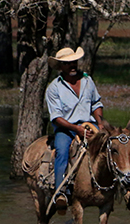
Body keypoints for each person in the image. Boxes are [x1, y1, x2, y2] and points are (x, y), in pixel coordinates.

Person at [45, 46, 112, 210]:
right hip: (67, 128)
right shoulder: (54, 88)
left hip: (90, 124)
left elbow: (96, 103)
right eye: (68, 63)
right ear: (61, 66)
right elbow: (57, 117)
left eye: (74, 62)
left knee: (113, 146)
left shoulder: (88, 81)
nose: (72, 65)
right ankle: (61, 192)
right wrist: (77, 129)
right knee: (62, 151)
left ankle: (129, 191)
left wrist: (100, 122)